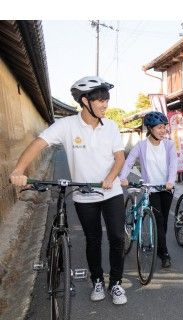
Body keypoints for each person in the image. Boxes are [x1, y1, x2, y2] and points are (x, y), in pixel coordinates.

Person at [9, 76, 127, 305]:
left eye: (106, 100)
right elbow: (38, 143)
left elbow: (119, 157)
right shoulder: (66, 125)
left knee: (117, 238)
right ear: (85, 101)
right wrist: (19, 170)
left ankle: (116, 284)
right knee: (93, 239)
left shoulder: (111, 126)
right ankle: (97, 281)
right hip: (84, 195)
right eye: (100, 100)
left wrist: (110, 178)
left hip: (110, 192)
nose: (105, 105)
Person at [119, 111, 177, 268]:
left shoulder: (169, 145)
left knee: (164, 221)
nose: (163, 130)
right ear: (150, 129)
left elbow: (173, 164)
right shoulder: (141, 146)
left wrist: (170, 181)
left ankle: (160, 246)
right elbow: (129, 161)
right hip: (151, 189)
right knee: (158, 220)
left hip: (166, 187)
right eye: (159, 127)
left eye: (164, 126)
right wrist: (123, 177)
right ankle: (164, 253)